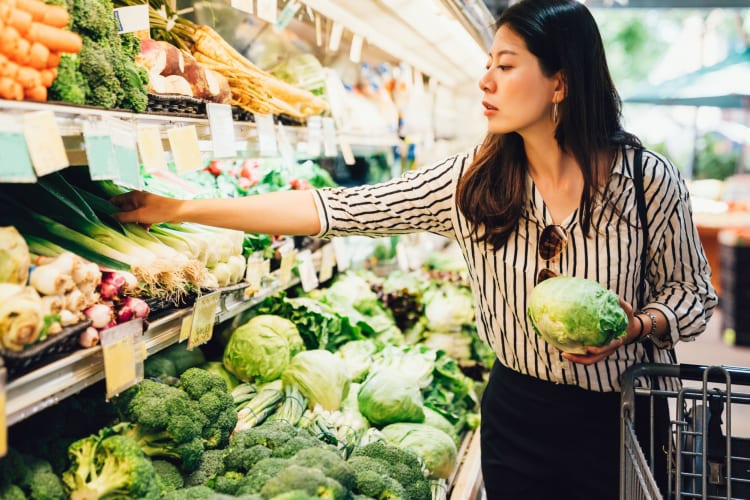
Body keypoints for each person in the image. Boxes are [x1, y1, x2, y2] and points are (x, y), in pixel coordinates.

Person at [113, 0, 717, 497]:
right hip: (519, 413)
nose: (485, 80)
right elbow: (334, 210)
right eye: (488, 63)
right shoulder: (472, 184)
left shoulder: (645, 181)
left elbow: (692, 294)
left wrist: (637, 324)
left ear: (560, 82)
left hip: (621, 421)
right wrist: (180, 209)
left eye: (506, 66)